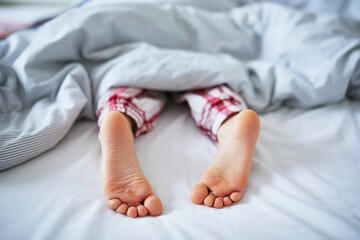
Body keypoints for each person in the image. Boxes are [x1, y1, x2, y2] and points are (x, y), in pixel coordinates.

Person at [97, 84, 260, 218]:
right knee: (214, 92)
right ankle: (230, 120)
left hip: (137, 65)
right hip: (198, 63)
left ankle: (120, 114)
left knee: (127, 90)